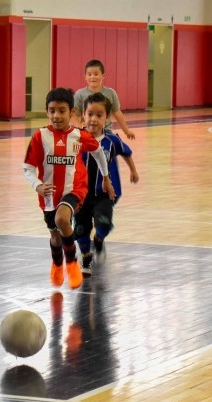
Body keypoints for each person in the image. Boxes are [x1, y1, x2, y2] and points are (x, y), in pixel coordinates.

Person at [23, 88, 114, 289]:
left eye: (62, 111)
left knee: (62, 219)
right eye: (52, 110)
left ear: (71, 112)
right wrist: (37, 185)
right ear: (47, 112)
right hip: (48, 195)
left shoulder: (79, 135)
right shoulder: (40, 137)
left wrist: (105, 178)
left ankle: (72, 263)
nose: (57, 115)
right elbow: (27, 167)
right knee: (55, 236)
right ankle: (57, 263)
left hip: (75, 189)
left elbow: (98, 153)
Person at [75, 93, 139, 276]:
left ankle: (100, 239)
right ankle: (86, 256)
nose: (93, 119)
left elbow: (126, 152)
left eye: (99, 115)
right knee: (80, 229)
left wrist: (133, 171)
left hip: (104, 194)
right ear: (83, 116)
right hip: (80, 195)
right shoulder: (76, 140)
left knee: (103, 222)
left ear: (107, 118)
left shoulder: (112, 141)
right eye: (90, 114)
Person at [72, 59, 135, 140]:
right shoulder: (80, 94)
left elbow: (118, 114)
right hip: (88, 132)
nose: (92, 77)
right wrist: (81, 129)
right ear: (85, 77)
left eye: (96, 74)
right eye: (89, 74)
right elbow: (74, 117)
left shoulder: (110, 93)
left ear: (103, 76)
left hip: (106, 132)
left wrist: (126, 131)